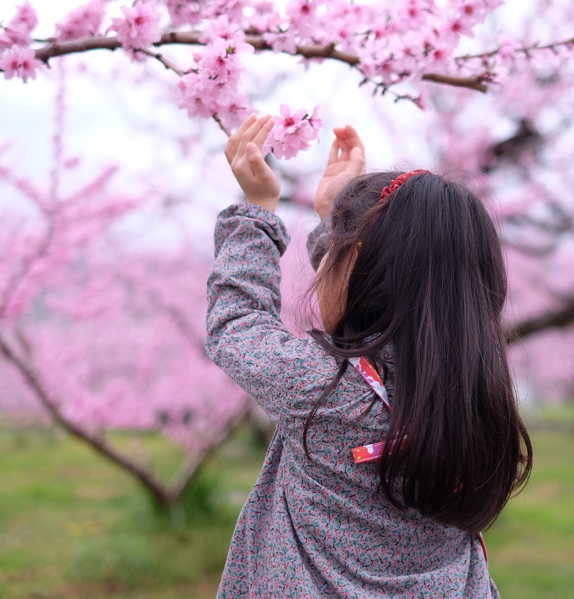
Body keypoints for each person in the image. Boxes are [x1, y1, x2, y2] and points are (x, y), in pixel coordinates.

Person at [206, 113, 533, 598]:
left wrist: (257, 212)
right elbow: (363, 288)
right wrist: (333, 224)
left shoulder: (323, 388)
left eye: (336, 251)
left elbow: (236, 325)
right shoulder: (472, 392)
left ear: (354, 260)